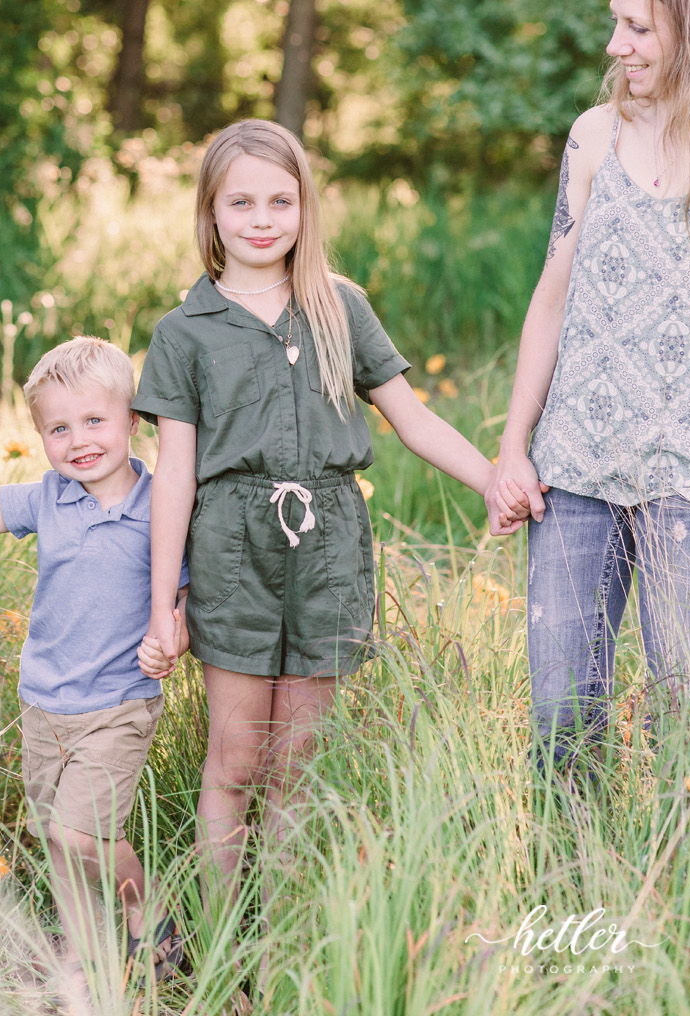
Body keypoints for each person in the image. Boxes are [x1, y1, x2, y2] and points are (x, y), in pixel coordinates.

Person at [133, 119, 527, 898]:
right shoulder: (183, 332)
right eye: (240, 202)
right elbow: (173, 473)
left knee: (297, 761)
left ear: (305, 209)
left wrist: (491, 480)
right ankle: (221, 946)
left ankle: (281, 941)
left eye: (282, 201)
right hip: (232, 548)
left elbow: (412, 420)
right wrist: (160, 606)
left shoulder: (338, 307)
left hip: (330, 545)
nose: (262, 219)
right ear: (210, 212)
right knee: (238, 758)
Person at [488, 0, 690, 772]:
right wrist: (515, 447)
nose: (617, 44)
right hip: (575, 470)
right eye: (616, 22)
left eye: (639, 28)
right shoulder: (594, 137)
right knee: (561, 721)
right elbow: (550, 302)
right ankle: (574, 893)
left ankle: (675, 894)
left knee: (684, 718)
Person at [0, 337, 187, 992]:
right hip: (43, 707)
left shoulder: (161, 504)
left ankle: (149, 909)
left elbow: (187, 594)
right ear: (40, 436)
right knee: (57, 842)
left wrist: (174, 633)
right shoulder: (49, 499)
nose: (79, 441)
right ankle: (84, 958)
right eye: (59, 428)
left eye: (94, 421)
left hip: (117, 705)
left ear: (132, 420)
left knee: (82, 835)